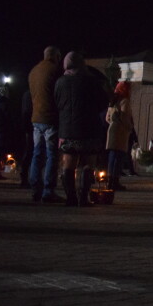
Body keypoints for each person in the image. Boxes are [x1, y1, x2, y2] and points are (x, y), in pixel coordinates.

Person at [55, 52, 109, 206]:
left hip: (67, 129)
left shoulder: (60, 82)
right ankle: (83, 198)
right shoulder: (92, 81)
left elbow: (57, 102)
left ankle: (70, 197)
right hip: (89, 129)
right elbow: (102, 103)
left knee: (68, 164)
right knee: (88, 163)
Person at [28, 46, 63, 203]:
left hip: (36, 118)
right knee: (51, 155)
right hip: (50, 118)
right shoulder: (55, 71)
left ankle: (35, 187)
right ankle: (48, 190)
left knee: (37, 154)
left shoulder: (34, 71)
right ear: (55, 56)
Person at [105, 81, 133, 191]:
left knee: (112, 157)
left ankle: (110, 180)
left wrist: (113, 122)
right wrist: (129, 127)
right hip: (121, 132)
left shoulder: (113, 101)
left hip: (112, 131)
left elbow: (107, 118)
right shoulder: (124, 101)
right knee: (118, 157)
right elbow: (125, 117)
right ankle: (115, 181)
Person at [19, 90, 32, 188]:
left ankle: (25, 177)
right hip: (30, 126)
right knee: (29, 152)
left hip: (28, 126)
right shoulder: (29, 94)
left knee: (28, 153)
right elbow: (27, 112)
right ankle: (25, 178)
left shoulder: (26, 94)